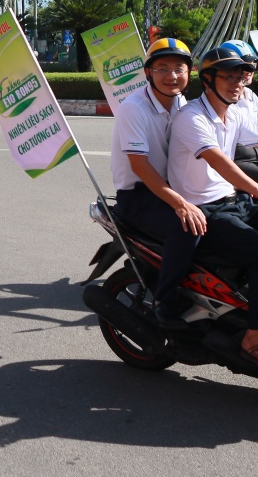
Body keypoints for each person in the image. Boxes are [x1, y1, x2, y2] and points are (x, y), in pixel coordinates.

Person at [167, 47, 258, 371]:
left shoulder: (233, 114)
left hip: (235, 203)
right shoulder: (192, 117)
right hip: (205, 210)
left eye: (240, 77)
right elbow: (219, 162)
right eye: (228, 77)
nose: (236, 84)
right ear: (208, 80)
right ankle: (254, 336)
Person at [110, 38, 205, 327]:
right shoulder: (133, 108)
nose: (172, 76)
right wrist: (181, 204)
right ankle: (165, 302)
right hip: (138, 194)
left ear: (190, 72)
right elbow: (140, 165)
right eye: (162, 68)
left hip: (172, 185)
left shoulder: (182, 103)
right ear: (148, 73)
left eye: (179, 68)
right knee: (186, 227)